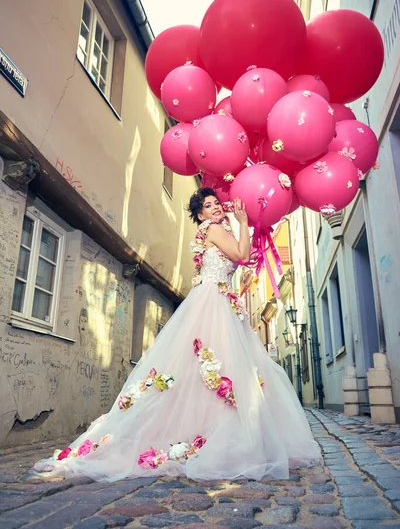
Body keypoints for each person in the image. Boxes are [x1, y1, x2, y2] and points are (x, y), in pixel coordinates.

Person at [33, 187, 321, 482]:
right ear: (200, 215)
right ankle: (213, 436)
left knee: (205, 371)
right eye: (208, 206)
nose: (216, 208)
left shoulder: (215, 231)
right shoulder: (214, 229)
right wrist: (244, 221)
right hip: (213, 304)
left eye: (216, 204)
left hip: (218, 301)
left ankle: (203, 431)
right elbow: (243, 254)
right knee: (218, 367)